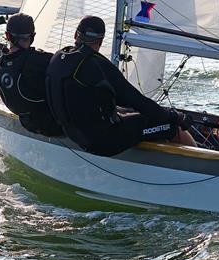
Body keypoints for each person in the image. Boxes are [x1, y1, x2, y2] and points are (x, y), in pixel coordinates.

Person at [45, 16, 196, 157]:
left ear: (75, 35)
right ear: (101, 41)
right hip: (104, 143)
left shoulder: (59, 57)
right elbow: (137, 101)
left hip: (75, 135)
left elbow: (80, 96)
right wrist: (175, 116)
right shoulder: (98, 64)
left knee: (129, 115)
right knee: (169, 125)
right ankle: (202, 166)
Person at [0, 14, 63, 137]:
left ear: (7, 36)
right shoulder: (43, 60)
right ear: (33, 37)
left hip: (27, 124)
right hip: (53, 127)